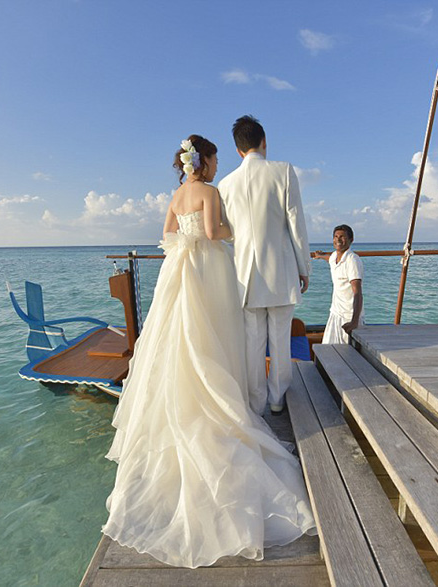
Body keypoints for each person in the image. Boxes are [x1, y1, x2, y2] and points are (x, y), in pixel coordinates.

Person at [101, 135, 316, 568]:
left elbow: (166, 233)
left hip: (181, 269)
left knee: (183, 337)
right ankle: (261, 398)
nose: (216, 164)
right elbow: (218, 231)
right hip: (212, 266)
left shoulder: (179, 194)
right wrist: (241, 232)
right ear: (207, 160)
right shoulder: (213, 191)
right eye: (213, 159)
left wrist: (187, 241)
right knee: (219, 333)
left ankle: (230, 399)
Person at [218, 115, 311, 416]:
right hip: (280, 271)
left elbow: (229, 232)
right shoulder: (282, 171)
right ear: (264, 142)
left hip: (244, 274)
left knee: (253, 343)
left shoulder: (226, 183)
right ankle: (277, 398)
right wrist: (304, 267)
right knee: (280, 339)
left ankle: (256, 402)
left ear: (238, 150)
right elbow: (296, 223)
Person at [313, 224, 363, 344]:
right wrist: (320, 255)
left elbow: (358, 292)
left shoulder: (352, 260)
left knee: (347, 355)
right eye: (335, 236)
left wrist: (354, 322)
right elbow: (329, 257)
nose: (338, 240)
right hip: (335, 313)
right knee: (327, 350)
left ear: (351, 240)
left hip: (349, 316)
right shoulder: (335, 257)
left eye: (342, 237)